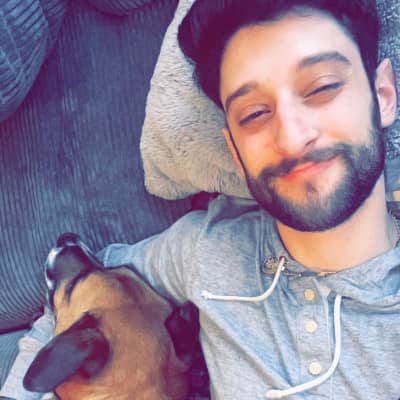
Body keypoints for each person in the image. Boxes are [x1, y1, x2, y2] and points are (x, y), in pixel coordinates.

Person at [2, 0, 399, 399]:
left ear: (383, 95)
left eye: (322, 87)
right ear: (235, 151)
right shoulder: (205, 247)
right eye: (254, 114)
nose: (293, 137)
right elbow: (73, 300)